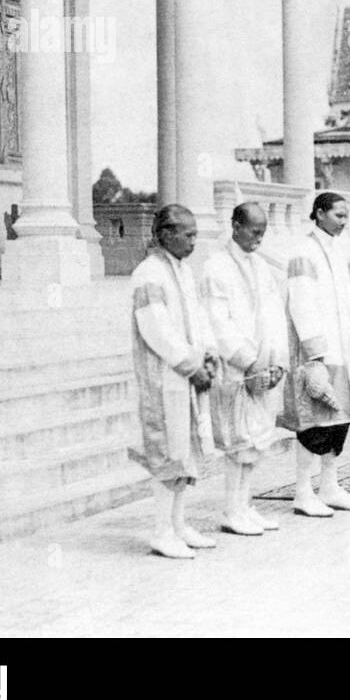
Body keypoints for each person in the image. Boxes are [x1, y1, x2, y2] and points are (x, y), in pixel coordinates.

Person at [279, 192, 350, 517]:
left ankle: (329, 486)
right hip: (319, 351)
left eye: (346, 217)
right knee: (314, 424)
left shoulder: (338, 249)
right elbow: (301, 302)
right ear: (319, 213)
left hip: (344, 350)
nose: (344, 222)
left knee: (339, 420)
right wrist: (315, 352)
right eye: (338, 216)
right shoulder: (304, 251)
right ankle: (303, 491)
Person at [130, 205, 219, 559]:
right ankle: (161, 531)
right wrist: (189, 364)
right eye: (188, 234)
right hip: (165, 376)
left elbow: (198, 317)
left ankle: (179, 523)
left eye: (196, 233)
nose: (194, 240)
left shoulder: (182, 271)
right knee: (169, 452)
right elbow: (156, 328)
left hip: (191, 374)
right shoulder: (149, 273)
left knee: (187, 452)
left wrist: (209, 354)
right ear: (165, 234)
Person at [202, 201, 288, 537]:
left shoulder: (260, 266)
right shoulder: (215, 267)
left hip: (264, 368)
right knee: (238, 445)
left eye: (263, 233)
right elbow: (218, 322)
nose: (259, 239)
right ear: (235, 225)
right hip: (237, 370)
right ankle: (231, 509)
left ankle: (245, 505)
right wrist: (248, 360)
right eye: (254, 231)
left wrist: (277, 359)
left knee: (257, 442)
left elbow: (274, 314)